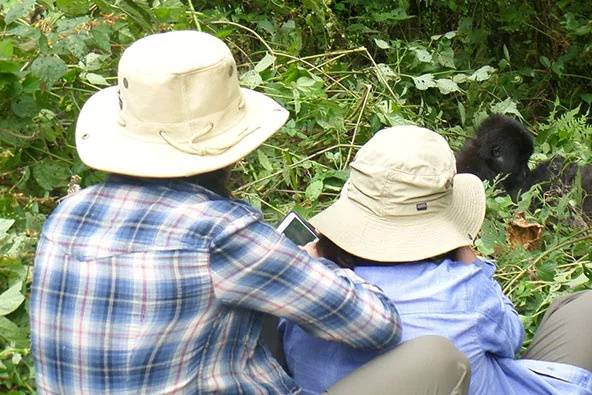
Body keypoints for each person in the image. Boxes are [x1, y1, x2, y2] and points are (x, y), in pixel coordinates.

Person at [29, 31, 470, 394]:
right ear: (230, 149)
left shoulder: (68, 215)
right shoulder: (218, 230)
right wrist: (316, 267)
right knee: (438, 358)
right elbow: (377, 326)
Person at [280, 125, 592, 394]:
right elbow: (511, 338)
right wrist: (468, 258)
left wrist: (313, 260)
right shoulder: (460, 292)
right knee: (584, 310)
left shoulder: (302, 284)